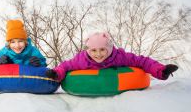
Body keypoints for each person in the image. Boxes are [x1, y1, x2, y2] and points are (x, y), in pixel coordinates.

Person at [46, 32, 178, 81]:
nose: (98, 54)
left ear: (108, 48)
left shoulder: (119, 56)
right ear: (88, 50)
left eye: (102, 49)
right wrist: (56, 74)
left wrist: (161, 71)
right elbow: (66, 65)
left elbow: (142, 61)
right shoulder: (82, 59)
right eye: (94, 50)